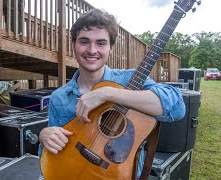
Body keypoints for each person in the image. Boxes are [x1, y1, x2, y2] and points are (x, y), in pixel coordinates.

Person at [38, 8, 186, 179]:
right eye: (84, 41)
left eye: (101, 43)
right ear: (74, 45)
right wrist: (44, 136)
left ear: (111, 48)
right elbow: (50, 155)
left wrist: (107, 93)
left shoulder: (130, 80)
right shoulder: (60, 97)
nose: (92, 50)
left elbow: (177, 107)